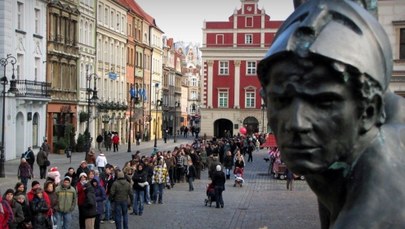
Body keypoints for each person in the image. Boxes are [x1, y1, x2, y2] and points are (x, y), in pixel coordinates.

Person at [257, 0, 405, 228]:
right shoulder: (336, 146)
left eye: (323, 102)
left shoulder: (374, 213)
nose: (297, 124)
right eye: (281, 100)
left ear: (369, 111)